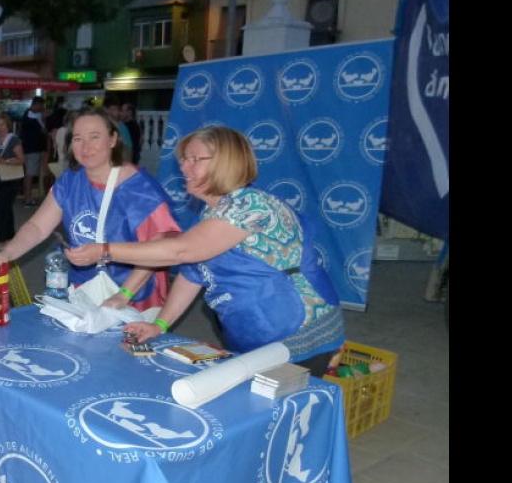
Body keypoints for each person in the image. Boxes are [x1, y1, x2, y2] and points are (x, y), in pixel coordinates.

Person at [66, 125, 345, 376]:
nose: (185, 167)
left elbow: (181, 252)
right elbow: (192, 275)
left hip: (300, 331)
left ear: (226, 162)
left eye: (195, 159)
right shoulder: (212, 213)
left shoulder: (250, 205)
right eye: (184, 159)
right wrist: (160, 325)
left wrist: (103, 250)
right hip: (256, 330)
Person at [0, 106, 180, 312]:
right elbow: (38, 226)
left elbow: (159, 248)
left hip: (133, 293)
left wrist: (124, 294)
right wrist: (7, 253)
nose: (86, 147)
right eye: (77, 138)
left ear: (112, 139)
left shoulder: (140, 188)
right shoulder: (71, 180)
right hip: (85, 289)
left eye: (94, 137)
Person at [0, 114, 24, 254]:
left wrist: (6, 161)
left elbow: (21, 159)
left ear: (8, 126)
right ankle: (10, 237)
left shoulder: (13, 140)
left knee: (2, 209)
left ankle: (0, 239)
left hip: (10, 180)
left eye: (2, 124)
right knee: (6, 209)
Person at [19, 96, 48, 206]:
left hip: (28, 148)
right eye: (41, 106)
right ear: (37, 104)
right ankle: (28, 197)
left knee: (29, 173)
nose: (42, 108)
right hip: (32, 148)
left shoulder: (30, 115)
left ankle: (27, 196)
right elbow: (43, 131)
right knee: (30, 173)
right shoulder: (31, 117)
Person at [122, 103, 144, 167]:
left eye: (123, 111)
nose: (121, 113)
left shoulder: (129, 126)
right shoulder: (134, 124)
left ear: (130, 112)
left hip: (130, 158)